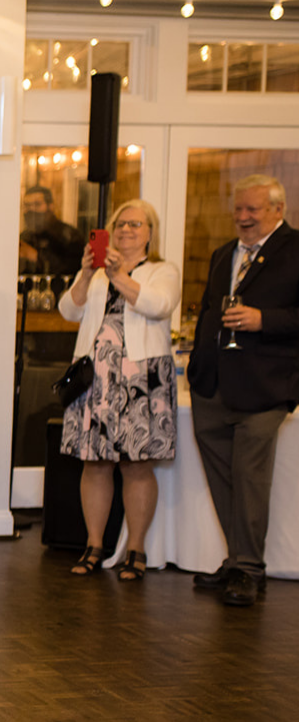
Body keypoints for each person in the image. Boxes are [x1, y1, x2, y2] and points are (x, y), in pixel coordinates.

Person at [186, 175, 299, 607]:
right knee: (223, 478)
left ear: (277, 209)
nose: (243, 217)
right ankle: (236, 559)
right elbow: (210, 311)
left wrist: (262, 320)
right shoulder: (222, 254)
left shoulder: (295, 250)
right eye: (238, 209)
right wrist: (199, 366)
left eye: (252, 209)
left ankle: (250, 568)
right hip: (213, 385)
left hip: (266, 387)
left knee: (250, 476)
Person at [57, 199, 180, 581]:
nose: (127, 230)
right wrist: (85, 272)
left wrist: (118, 276)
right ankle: (94, 545)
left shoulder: (162, 270)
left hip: (143, 378)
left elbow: (158, 305)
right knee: (94, 463)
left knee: (136, 464)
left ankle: (136, 549)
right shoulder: (95, 274)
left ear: (150, 233)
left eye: (136, 224)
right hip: (96, 379)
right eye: (120, 224)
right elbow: (68, 311)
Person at [19, 185, 86, 276]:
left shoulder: (69, 235)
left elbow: (73, 271)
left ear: (50, 206)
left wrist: (35, 256)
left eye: (37, 204)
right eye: (27, 205)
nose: (31, 209)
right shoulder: (26, 236)